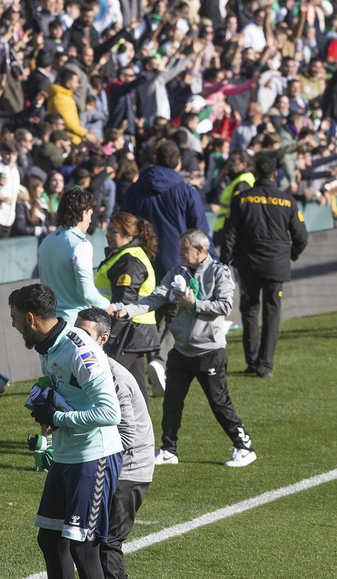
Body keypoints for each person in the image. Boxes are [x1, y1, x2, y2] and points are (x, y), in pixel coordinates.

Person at [7, 283, 121, 579]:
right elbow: (67, 393)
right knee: (50, 537)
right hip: (68, 456)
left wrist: (58, 418)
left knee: (83, 547)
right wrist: (44, 397)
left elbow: (109, 413)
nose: (15, 327)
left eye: (15, 320)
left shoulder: (79, 348)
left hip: (95, 456)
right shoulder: (49, 348)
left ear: (31, 319)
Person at [115, 230, 253, 467]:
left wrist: (194, 304)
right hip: (181, 349)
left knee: (219, 403)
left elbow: (226, 305)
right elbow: (155, 298)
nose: (179, 254)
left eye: (184, 249)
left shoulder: (219, 272)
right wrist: (126, 310)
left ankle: (244, 446)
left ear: (200, 250)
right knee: (171, 402)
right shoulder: (176, 273)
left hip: (209, 351)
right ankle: (169, 449)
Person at [73, 307, 154, 579]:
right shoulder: (87, 369)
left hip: (129, 470)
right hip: (114, 466)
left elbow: (127, 435)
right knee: (107, 541)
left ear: (102, 339)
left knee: (106, 542)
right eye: (74, 332)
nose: (75, 339)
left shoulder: (115, 377)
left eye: (84, 334)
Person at [216, 152, 309, 377]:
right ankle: (265, 365)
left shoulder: (242, 199)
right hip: (276, 265)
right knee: (272, 313)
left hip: (248, 264)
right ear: (275, 174)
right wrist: (291, 255)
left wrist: (225, 263)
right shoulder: (287, 200)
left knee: (249, 310)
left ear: (255, 173)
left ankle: (252, 361)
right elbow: (301, 236)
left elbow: (229, 235)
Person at [93, 211, 163, 394]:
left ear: (129, 235)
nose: (107, 235)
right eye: (108, 230)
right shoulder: (124, 255)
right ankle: (143, 424)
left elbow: (123, 304)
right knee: (136, 387)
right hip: (134, 331)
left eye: (113, 231)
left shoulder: (129, 261)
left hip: (128, 331)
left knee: (113, 386)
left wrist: (109, 337)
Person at [118, 140, 209, 277]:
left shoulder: (134, 190)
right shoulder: (187, 192)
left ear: (156, 160)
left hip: (141, 264)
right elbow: (200, 232)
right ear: (178, 162)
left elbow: (124, 226)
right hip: (178, 264)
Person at [37, 188, 108, 321]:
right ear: (84, 213)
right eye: (90, 214)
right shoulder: (81, 245)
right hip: (74, 322)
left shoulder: (46, 241)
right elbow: (87, 292)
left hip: (50, 322)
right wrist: (107, 305)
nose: (90, 221)